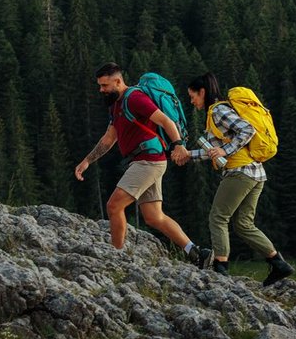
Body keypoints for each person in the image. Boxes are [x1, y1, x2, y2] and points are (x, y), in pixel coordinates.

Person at [75, 63, 213, 266]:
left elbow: (166, 121)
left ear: (118, 81)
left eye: (104, 85)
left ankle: (117, 257)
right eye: (100, 86)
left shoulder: (135, 98)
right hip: (143, 161)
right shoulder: (116, 105)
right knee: (154, 217)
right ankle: (197, 253)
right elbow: (108, 138)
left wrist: (179, 145)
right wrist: (87, 161)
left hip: (148, 161)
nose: (101, 90)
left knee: (114, 206)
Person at [171, 72, 295, 286]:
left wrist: (225, 151)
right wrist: (189, 155)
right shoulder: (217, 112)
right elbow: (215, 152)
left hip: (240, 172)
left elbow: (247, 130)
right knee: (243, 224)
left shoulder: (218, 110)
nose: (192, 102)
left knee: (217, 217)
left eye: (193, 97)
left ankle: (221, 268)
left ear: (203, 92)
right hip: (256, 173)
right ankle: (279, 264)